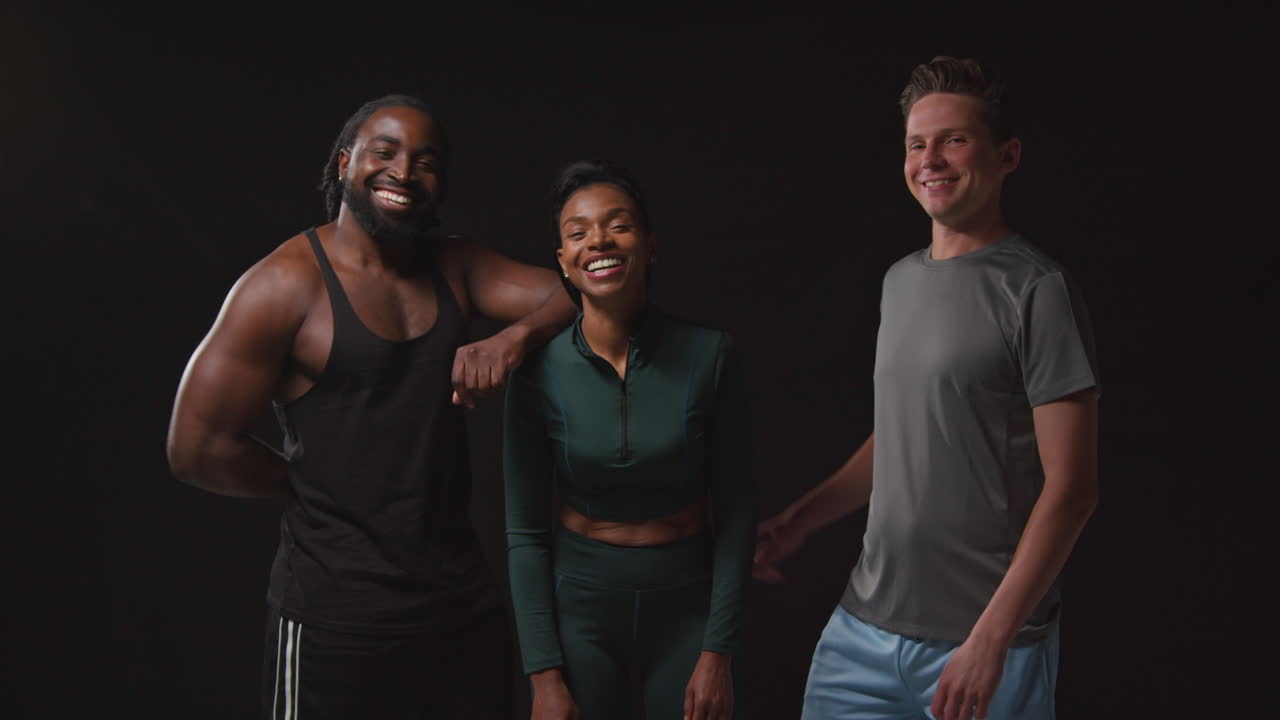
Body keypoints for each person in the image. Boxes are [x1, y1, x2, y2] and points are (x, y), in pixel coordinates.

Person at [166, 94, 577, 719]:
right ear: (344, 163)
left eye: (425, 160)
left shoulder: (456, 266)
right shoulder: (283, 285)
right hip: (334, 615)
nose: (404, 172)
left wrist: (512, 338)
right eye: (384, 152)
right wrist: (305, 480)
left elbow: (578, 289)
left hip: (457, 605)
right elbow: (195, 448)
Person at [754, 57, 1101, 720]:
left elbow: (1074, 488)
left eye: (955, 139)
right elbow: (909, 434)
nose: (932, 159)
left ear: (1007, 155)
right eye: (918, 144)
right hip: (864, 628)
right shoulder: (899, 281)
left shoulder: (1036, 289)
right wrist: (801, 521)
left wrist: (991, 640)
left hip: (982, 644)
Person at [502, 161, 755, 720]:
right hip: (581, 610)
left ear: (649, 245)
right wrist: (542, 674)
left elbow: (738, 514)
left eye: (618, 224)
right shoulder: (535, 372)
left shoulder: (710, 355)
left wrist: (719, 651)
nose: (599, 240)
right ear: (564, 262)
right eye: (578, 232)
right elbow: (524, 532)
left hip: (687, 604)